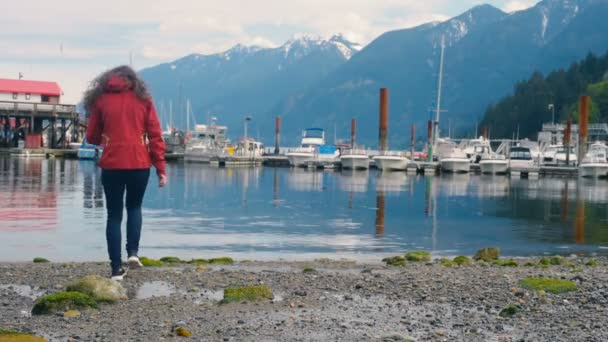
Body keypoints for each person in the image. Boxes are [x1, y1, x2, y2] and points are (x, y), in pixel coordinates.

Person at [84, 65, 167, 280]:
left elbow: (91, 136)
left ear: (107, 80)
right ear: (133, 80)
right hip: (139, 163)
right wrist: (161, 169)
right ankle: (133, 253)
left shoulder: (101, 100)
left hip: (112, 164)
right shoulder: (144, 99)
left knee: (113, 216)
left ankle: (115, 269)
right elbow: (156, 136)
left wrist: (107, 137)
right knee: (134, 207)